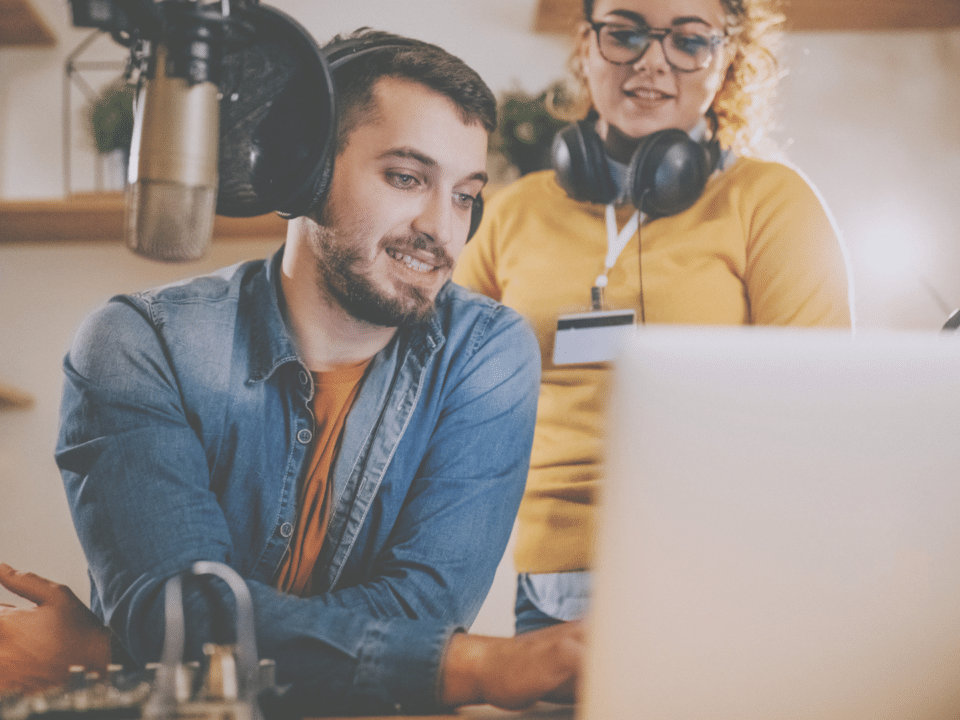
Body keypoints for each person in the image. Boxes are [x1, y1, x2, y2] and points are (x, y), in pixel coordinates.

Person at [0, 29, 584, 714]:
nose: (443, 229)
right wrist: (474, 666)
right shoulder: (138, 344)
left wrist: (110, 655)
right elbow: (177, 608)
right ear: (298, 169)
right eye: (406, 177)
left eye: (464, 196)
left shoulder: (485, 352)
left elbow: (421, 616)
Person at [452, 0, 854, 633]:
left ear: (728, 61)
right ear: (586, 45)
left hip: (719, 563)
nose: (652, 62)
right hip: (548, 580)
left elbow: (821, 405)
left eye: (689, 42)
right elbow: (444, 389)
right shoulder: (508, 214)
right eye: (625, 33)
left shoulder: (772, 202)